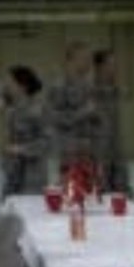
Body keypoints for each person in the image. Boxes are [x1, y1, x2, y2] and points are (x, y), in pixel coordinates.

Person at [43, 41, 96, 181]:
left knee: (90, 188)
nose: (89, 63)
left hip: (88, 149)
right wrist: (84, 112)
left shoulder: (88, 85)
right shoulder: (59, 86)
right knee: (71, 188)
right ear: (71, 60)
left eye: (90, 59)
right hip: (69, 151)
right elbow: (54, 118)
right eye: (85, 58)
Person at [2, 64, 47, 196]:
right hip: (11, 174)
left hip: (31, 175)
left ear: (22, 86)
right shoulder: (11, 110)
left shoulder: (38, 109)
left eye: (10, 83)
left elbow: (47, 142)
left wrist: (21, 149)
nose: (6, 86)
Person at [91, 48, 131, 194]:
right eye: (110, 64)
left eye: (115, 64)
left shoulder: (116, 89)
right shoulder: (89, 90)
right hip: (99, 151)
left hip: (116, 148)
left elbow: (127, 95)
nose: (114, 68)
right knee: (101, 191)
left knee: (122, 189)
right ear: (99, 66)